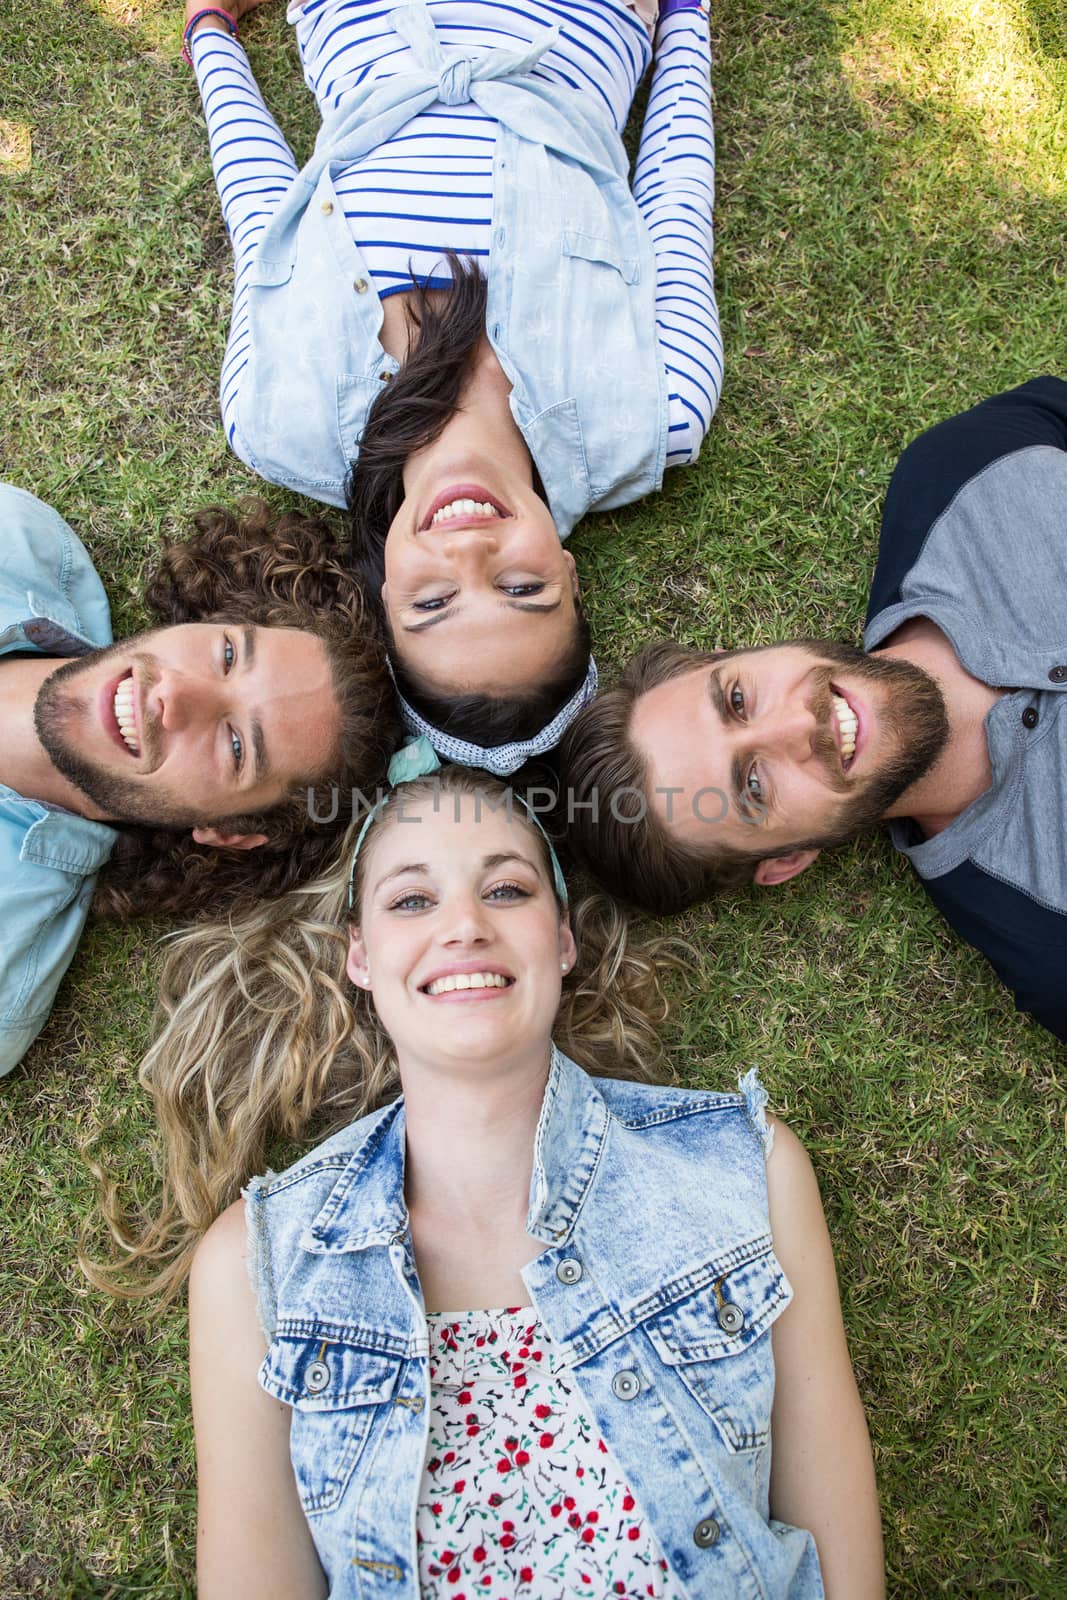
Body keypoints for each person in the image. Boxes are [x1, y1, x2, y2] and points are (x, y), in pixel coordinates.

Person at [93, 755, 883, 1595]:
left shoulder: (741, 1167)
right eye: (410, 900)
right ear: (360, 957)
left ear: (563, 937)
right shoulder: (259, 1267)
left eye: (506, 890)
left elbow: (834, 1543)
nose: (464, 925)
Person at [181, 0, 721, 769]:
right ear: (568, 573)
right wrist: (685, 19)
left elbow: (266, 216)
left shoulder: (275, 420)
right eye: (523, 588)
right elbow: (675, 200)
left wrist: (209, 35)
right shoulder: (655, 414)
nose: (469, 553)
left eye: (432, 604)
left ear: (385, 597)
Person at [560, 376, 1067, 1040]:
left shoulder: (964, 473)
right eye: (751, 784)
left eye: (738, 699)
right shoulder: (1050, 940)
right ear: (787, 860)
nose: (799, 724)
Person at [0, 484, 398, 1076]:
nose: (175, 696)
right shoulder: (17, 543)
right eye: (229, 656)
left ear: (226, 832)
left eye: (237, 746)